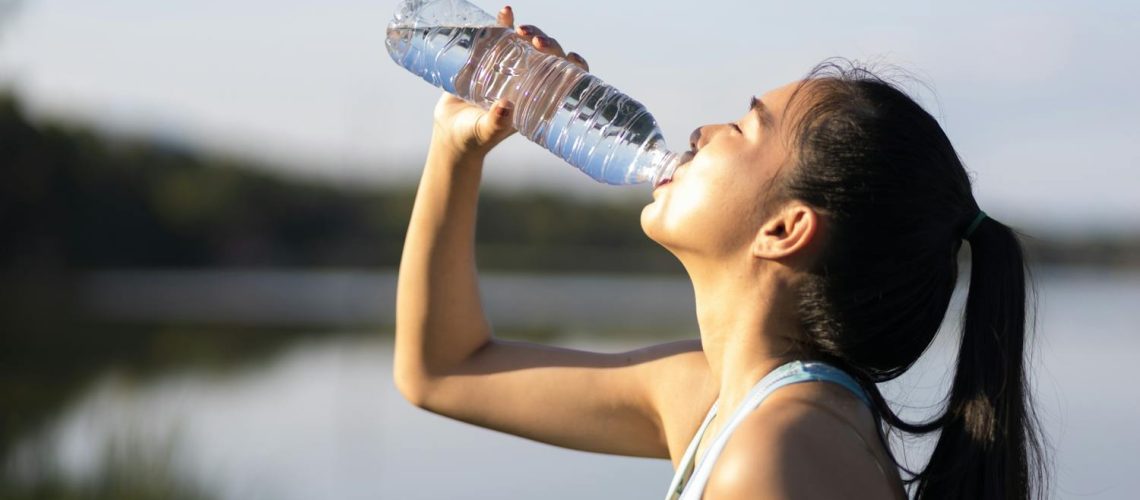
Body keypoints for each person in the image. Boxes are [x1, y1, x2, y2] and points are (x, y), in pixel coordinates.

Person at [394, 6, 1046, 499]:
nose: (701, 132)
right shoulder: (720, 400)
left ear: (785, 230)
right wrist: (458, 149)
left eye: (742, 126)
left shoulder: (781, 453)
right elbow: (445, 370)